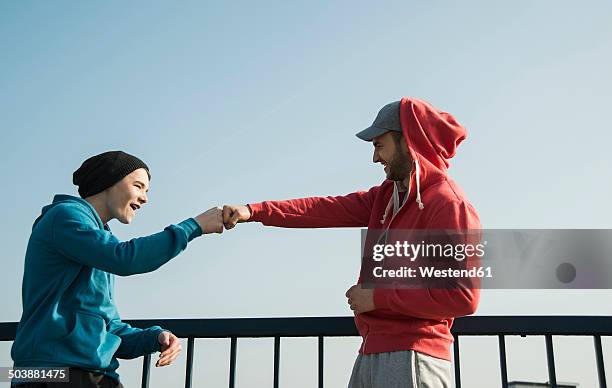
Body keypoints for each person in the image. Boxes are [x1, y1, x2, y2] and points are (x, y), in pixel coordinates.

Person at [223, 97, 481, 387]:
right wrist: (254, 211)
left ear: (409, 142)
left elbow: (462, 297)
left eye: (379, 145)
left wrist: (376, 298)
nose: (374, 157)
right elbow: (322, 208)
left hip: (414, 357)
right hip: (371, 353)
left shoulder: (448, 204)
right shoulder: (385, 197)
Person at [11, 151, 224, 387]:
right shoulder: (64, 217)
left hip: (97, 374)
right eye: (139, 186)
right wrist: (193, 227)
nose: (145, 198)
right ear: (109, 182)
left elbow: (108, 326)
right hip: (51, 373)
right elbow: (125, 258)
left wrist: (155, 337)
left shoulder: (99, 239)